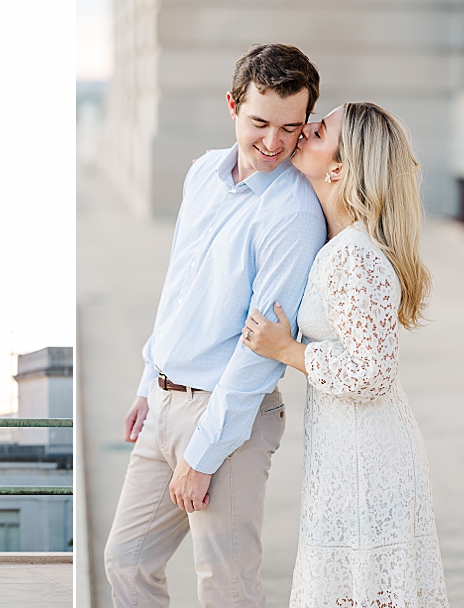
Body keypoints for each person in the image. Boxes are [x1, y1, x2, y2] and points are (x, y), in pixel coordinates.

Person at [104, 43, 327, 608]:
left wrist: (202, 457)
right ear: (232, 105)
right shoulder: (203, 171)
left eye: (290, 128)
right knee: (126, 563)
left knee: (226, 589)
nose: (274, 143)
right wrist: (147, 378)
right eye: (259, 123)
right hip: (163, 401)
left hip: (229, 416)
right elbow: (179, 285)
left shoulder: (295, 215)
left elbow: (262, 352)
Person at [242, 102, 448, 606]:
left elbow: (372, 373)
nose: (300, 134)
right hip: (344, 448)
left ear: (338, 168)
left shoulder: (353, 254)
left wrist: (289, 351)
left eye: (315, 132)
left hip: (368, 455)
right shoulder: (337, 243)